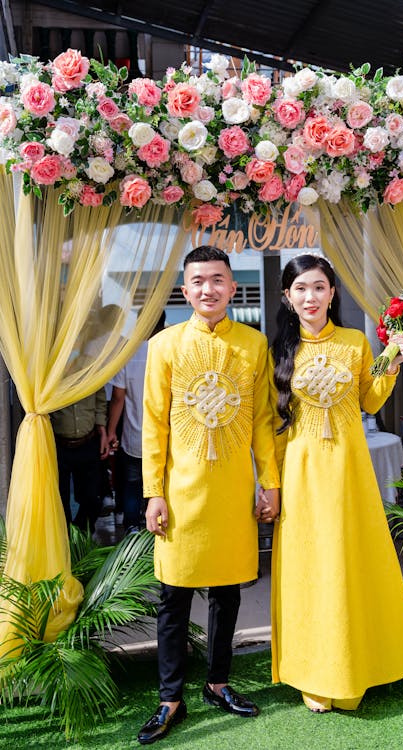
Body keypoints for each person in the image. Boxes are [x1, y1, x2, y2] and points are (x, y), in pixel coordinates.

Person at [137, 245, 280, 745]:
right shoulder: (164, 345)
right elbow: (153, 425)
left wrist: (271, 483)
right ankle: (169, 697)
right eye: (198, 281)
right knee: (172, 599)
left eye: (217, 280)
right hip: (179, 493)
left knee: (226, 594)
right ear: (185, 289)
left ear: (232, 287)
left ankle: (218, 684)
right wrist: (153, 492)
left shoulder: (254, 344)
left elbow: (263, 421)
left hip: (233, 493)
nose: (208, 289)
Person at [269, 253, 403, 714]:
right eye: (301, 289)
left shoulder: (355, 341)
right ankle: (314, 673)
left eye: (319, 287)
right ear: (287, 297)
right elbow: (270, 424)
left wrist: (394, 361)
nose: (310, 297)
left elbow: (369, 398)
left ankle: (356, 667)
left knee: (349, 564)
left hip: (349, 473)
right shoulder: (276, 350)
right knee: (310, 569)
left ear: (333, 293)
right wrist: (269, 483)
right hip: (301, 474)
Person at [106, 308, 166, 534]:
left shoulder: (127, 354)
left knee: (132, 485)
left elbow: (118, 398)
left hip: (134, 436)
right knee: (161, 487)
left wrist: (112, 431)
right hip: (166, 437)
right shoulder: (169, 349)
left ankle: (132, 530)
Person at [51, 388, 108, 533]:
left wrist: (103, 430)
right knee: (60, 500)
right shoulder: (50, 369)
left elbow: (100, 398)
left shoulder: (90, 367)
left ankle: (81, 536)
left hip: (88, 442)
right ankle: (66, 540)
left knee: (92, 498)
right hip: (57, 444)